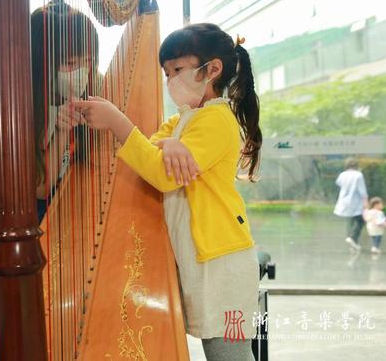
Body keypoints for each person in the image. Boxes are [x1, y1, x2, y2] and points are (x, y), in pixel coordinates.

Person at [74, 23, 261, 361]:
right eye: (166, 73)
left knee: (228, 352)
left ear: (212, 70)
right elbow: (151, 147)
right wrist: (170, 144)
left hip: (223, 260)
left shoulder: (217, 120)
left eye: (177, 69)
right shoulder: (182, 120)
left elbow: (162, 173)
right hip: (202, 257)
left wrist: (117, 121)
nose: (170, 79)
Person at [30, 0, 99, 222]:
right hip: (41, 218)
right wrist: (61, 130)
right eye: (70, 63)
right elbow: (41, 190)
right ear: (42, 63)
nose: (82, 72)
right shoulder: (22, 111)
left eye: (88, 61)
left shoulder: (93, 91)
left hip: (77, 207)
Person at [333, 157, 368, 250]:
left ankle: (351, 243)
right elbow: (362, 190)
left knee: (350, 220)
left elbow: (338, 183)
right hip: (356, 200)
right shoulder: (358, 175)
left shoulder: (342, 175)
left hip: (344, 200)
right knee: (360, 220)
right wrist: (365, 201)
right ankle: (353, 238)